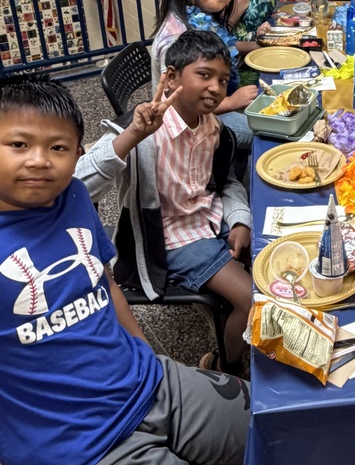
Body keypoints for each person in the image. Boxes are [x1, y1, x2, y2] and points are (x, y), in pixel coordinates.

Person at [0, 72, 251, 465]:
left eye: (58, 147)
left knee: (281, 424)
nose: (40, 161)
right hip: (80, 453)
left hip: (146, 383)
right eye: (18, 144)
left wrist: (148, 360)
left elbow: (105, 284)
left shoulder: (66, 200)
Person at [77, 30, 253, 374]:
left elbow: (224, 182)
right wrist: (132, 135)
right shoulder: (143, 131)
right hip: (172, 238)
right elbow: (76, 183)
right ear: (171, 77)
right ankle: (228, 367)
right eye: (204, 75)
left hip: (210, 220)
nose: (216, 88)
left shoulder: (213, 128)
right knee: (253, 301)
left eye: (222, 79)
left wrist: (239, 218)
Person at [152, 0, 258, 149]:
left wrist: (253, 46)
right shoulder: (175, 37)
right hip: (191, 124)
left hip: (214, 101)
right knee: (262, 132)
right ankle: (232, 179)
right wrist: (231, 102)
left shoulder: (204, 16)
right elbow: (177, 105)